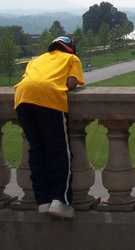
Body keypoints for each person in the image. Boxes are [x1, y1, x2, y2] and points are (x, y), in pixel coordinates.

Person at [14, 36, 85, 219]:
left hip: (22, 97)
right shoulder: (72, 58)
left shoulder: (37, 60)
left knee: (36, 150)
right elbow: (71, 83)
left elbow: (30, 79)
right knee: (59, 150)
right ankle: (60, 200)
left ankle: (43, 200)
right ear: (71, 49)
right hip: (49, 99)